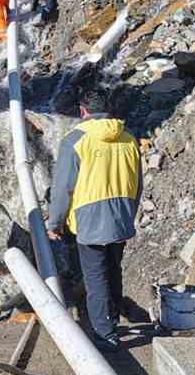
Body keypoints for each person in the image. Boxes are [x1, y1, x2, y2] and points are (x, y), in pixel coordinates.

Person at [45, 87, 142, 349]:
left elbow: (63, 188)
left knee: (95, 276)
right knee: (113, 270)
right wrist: (128, 214)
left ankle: (105, 333)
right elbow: (137, 184)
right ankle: (113, 319)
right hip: (121, 216)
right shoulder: (129, 139)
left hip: (89, 219)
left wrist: (55, 223)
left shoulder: (75, 140)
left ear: (83, 111)